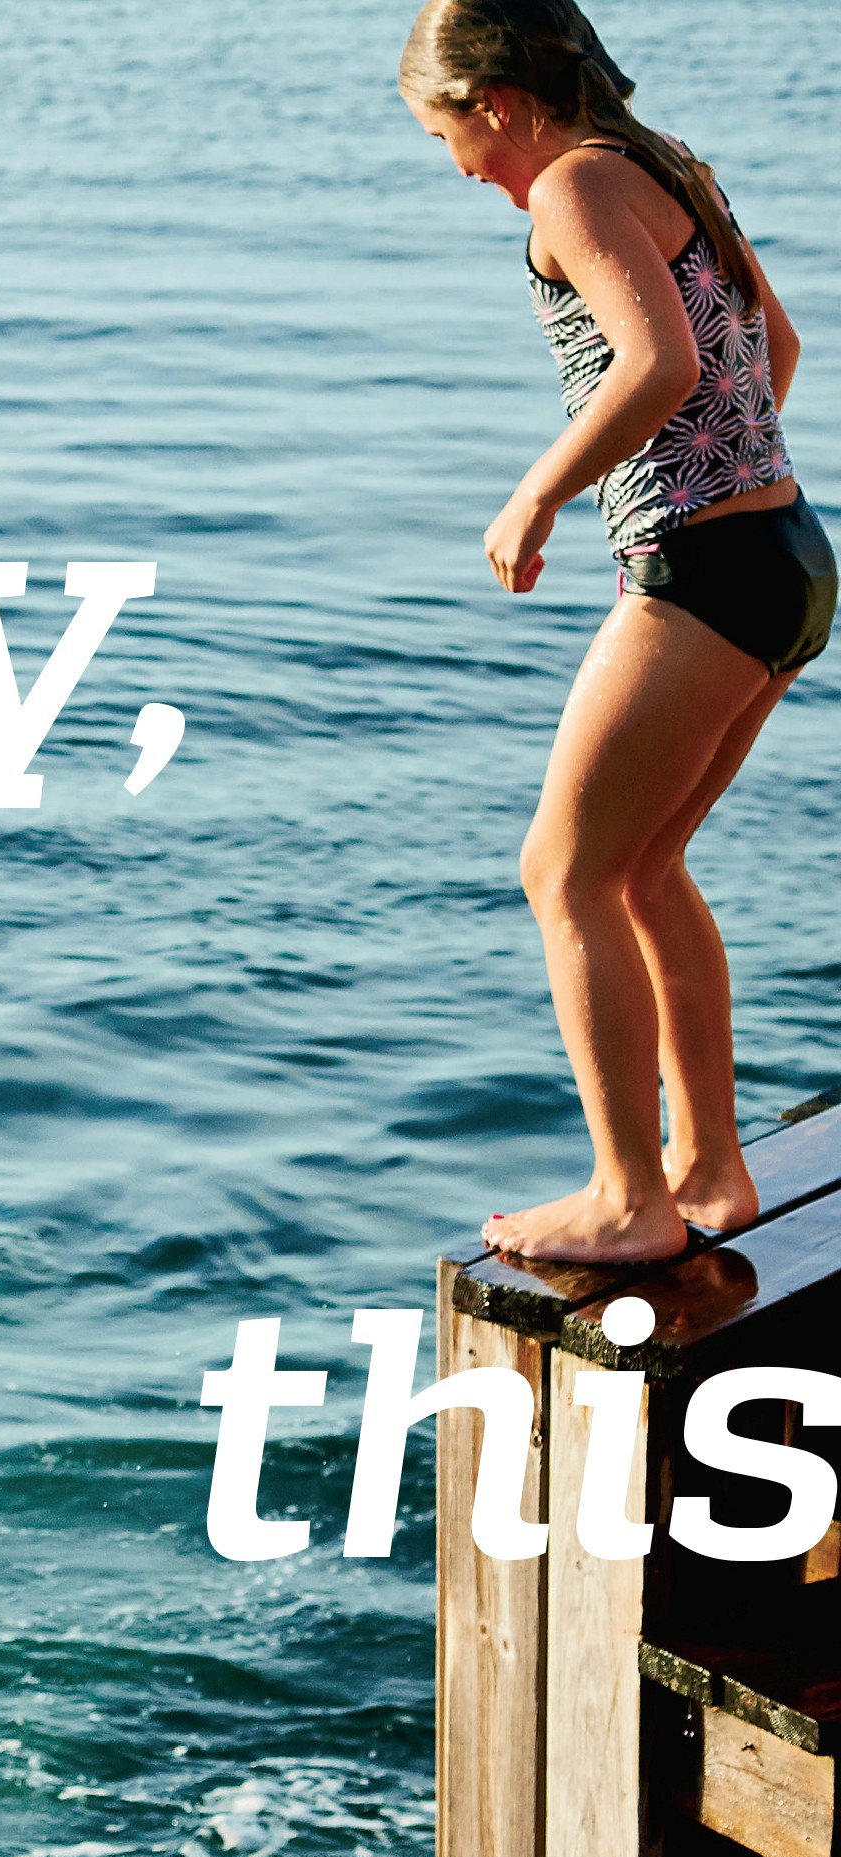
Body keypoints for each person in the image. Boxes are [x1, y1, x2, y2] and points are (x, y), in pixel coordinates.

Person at [404, 0, 822, 1265]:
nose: (459, 167)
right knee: (642, 871)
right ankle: (711, 1166)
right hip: (789, 555)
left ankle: (630, 1196)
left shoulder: (574, 190)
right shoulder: (662, 163)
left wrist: (543, 491)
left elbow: (660, 367)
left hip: (706, 573)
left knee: (565, 874)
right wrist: (719, 486)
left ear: (498, 107)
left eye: (447, 135)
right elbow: (774, 346)